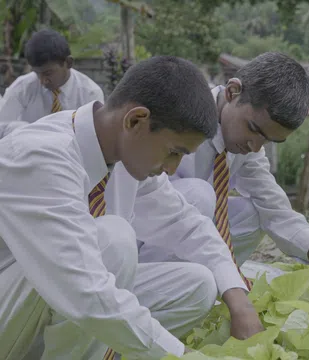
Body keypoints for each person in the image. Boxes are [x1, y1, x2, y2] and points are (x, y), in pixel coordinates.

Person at [0, 55, 262, 360]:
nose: (172, 167)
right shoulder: (43, 156)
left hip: (49, 305)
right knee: (113, 242)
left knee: (199, 285)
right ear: (135, 120)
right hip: (13, 315)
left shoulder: (123, 154)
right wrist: (182, 355)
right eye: (174, 152)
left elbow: (188, 224)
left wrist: (238, 298)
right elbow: (85, 289)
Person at [138, 52, 309, 294]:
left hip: (182, 234)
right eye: (253, 129)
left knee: (254, 212)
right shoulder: (180, 112)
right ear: (233, 92)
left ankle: (209, 289)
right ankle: (158, 294)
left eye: (267, 140)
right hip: (135, 239)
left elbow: (275, 210)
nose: (255, 146)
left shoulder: (247, 146)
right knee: (199, 196)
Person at [0, 28, 104, 123]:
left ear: (68, 63)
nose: (42, 81)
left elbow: (94, 136)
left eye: (48, 73)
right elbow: (3, 125)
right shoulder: (22, 88)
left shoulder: (90, 94)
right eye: (37, 73)